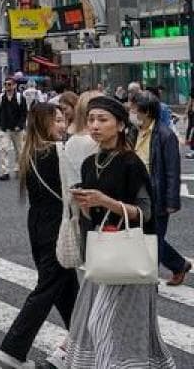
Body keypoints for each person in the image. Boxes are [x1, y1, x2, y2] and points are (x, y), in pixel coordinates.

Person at [64, 96, 175, 367]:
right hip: (102, 255)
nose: (94, 126)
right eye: (91, 119)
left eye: (102, 119)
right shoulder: (90, 163)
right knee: (106, 325)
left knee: (101, 323)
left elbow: (145, 212)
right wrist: (85, 203)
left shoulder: (130, 163)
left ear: (121, 125)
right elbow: (94, 216)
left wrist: (105, 202)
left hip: (127, 255)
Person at [0, 103, 77, 369]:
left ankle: (85, 340)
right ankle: (13, 348)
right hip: (57, 227)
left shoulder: (30, 152)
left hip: (38, 225)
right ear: (44, 123)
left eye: (64, 120)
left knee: (65, 288)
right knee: (48, 288)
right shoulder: (57, 151)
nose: (63, 126)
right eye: (57, 121)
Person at [128, 91, 191, 286]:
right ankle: (179, 264)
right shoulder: (133, 132)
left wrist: (172, 201)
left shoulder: (165, 135)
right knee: (146, 237)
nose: (131, 112)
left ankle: (148, 285)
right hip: (135, 194)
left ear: (145, 112)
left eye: (134, 109)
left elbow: (172, 171)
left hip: (156, 195)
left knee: (152, 240)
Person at [0, 78, 28, 181]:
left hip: (17, 129)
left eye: (9, 84)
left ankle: (18, 168)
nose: (7, 86)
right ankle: (5, 172)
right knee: (4, 149)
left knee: (20, 150)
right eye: (5, 84)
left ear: (14, 86)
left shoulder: (20, 97)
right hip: (5, 128)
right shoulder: (1, 97)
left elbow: (24, 113)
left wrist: (20, 125)